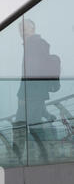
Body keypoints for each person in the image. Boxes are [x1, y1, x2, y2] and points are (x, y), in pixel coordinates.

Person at [14, 19, 57, 163]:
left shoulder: (35, 44)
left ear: (33, 28)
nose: (22, 32)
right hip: (36, 93)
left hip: (31, 93)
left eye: (25, 28)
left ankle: (16, 158)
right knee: (33, 123)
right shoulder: (35, 44)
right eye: (20, 30)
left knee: (21, 123)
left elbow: (30, 73)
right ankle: (45, 154)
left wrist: (22, 95)